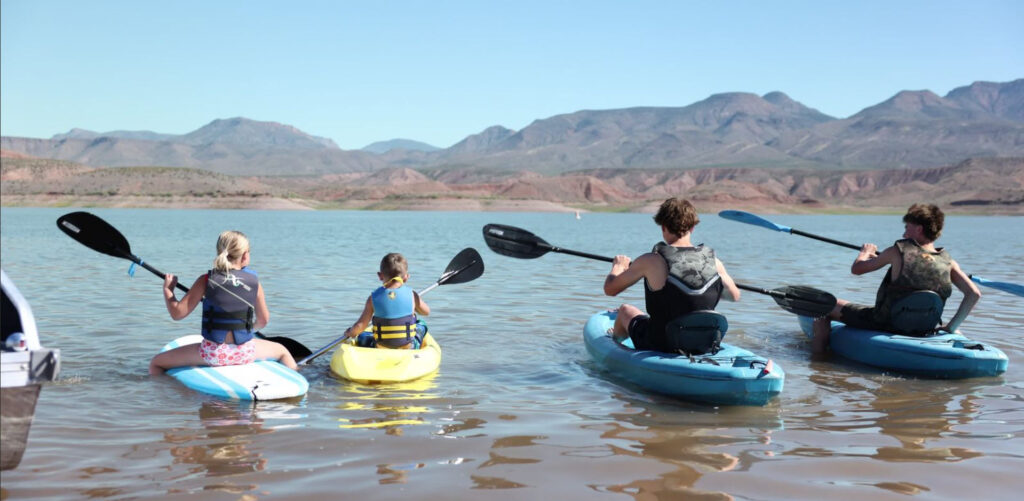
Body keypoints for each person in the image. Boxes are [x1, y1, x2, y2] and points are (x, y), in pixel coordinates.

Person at [811, 203, 981, 353]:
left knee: (822, 306)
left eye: (907, 227)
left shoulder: (896, 251)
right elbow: (973, 294)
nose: (904, 233)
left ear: (919, 229)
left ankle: (818, 360)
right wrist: (951, 327)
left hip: (885, 322)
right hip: (924, 327)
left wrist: (865, 253)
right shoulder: (949, 262)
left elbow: (857, 269)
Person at [149, 231, 297, 374]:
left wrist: (168, 290)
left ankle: (161, 389)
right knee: (283, 351)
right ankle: (302, 379)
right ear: (245, 255)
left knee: (156, 363)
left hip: (213, 354)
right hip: (245, 352)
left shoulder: (205, 280)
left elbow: (177, 313)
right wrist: (247, 329)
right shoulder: (254, 283)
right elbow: (263, 320)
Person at [604, 197, 741, 353]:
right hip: (703, 344)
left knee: (625, 311)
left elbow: (610, 289)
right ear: (692, 228)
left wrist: (618, 267)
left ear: (663, 227)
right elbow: (734, 296)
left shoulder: (651, 261)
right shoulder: (715, 262)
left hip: (661, 343)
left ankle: (615, 349)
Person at [342, 253, 431, 349]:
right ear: (406, 277)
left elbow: (361, 325)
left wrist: (350, 332)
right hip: (408, 347)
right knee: (421, 324)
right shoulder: (412, 295)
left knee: (362, 335)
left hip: (381, 347)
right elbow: (426, 312)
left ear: (380, 276)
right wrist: (414, 306)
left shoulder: (373, 297)